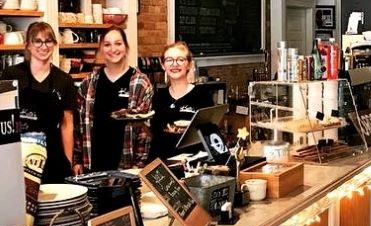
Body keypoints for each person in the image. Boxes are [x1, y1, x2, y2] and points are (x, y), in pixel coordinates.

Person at [1, 22, 77, 183]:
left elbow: (67, 123)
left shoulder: (64, 80)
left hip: (53, 157)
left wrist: (68, 161)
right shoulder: (11, 75)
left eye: (48, 41)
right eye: (38, 41)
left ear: (54, 44)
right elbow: (4, 119)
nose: (44, 46)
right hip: (19, 157)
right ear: (28, 45)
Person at [74, 25, 153, 173]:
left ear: (126, 47)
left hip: (127, 167)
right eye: (107, 44)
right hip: (93, 165)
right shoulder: (88, 83)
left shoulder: (140, 83)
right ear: (101, 49)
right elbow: (78, 125)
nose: (113, 49)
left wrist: (139, 166)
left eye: (118, 43)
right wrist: (77, 159)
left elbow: (144, 131)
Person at [150, 41, 213, 161]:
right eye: (169, 60)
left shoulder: (202, 96)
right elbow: (156, 136)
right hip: (163, 163)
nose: (175, 64)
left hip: (193, 164)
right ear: (163, 65)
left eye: (180, 59)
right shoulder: (158, 97)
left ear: (188, 64)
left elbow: (209, 135)